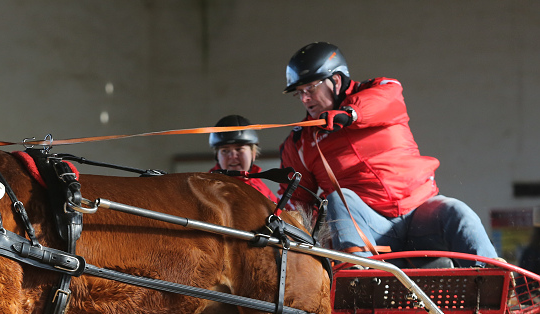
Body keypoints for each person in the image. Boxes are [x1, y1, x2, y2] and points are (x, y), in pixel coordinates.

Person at [278, 42, 497, 267]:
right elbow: (297, 204)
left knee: (457, 212)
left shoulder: (381, 89)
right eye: (299, 93)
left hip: (421, 216)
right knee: (340, 198)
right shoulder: (299, 143)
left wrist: (349, 114)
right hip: (371, 231)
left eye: (311, 88)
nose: (304, 99)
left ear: (335, 81)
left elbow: (386, 99)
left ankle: (497, 285)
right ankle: (358, 280)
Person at [209, 115, 278, 204]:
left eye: (239, 149)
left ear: (253, 153)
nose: (232, 156)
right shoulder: (209, 189)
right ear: (217, 156)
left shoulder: (259, 184)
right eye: (225, 150)